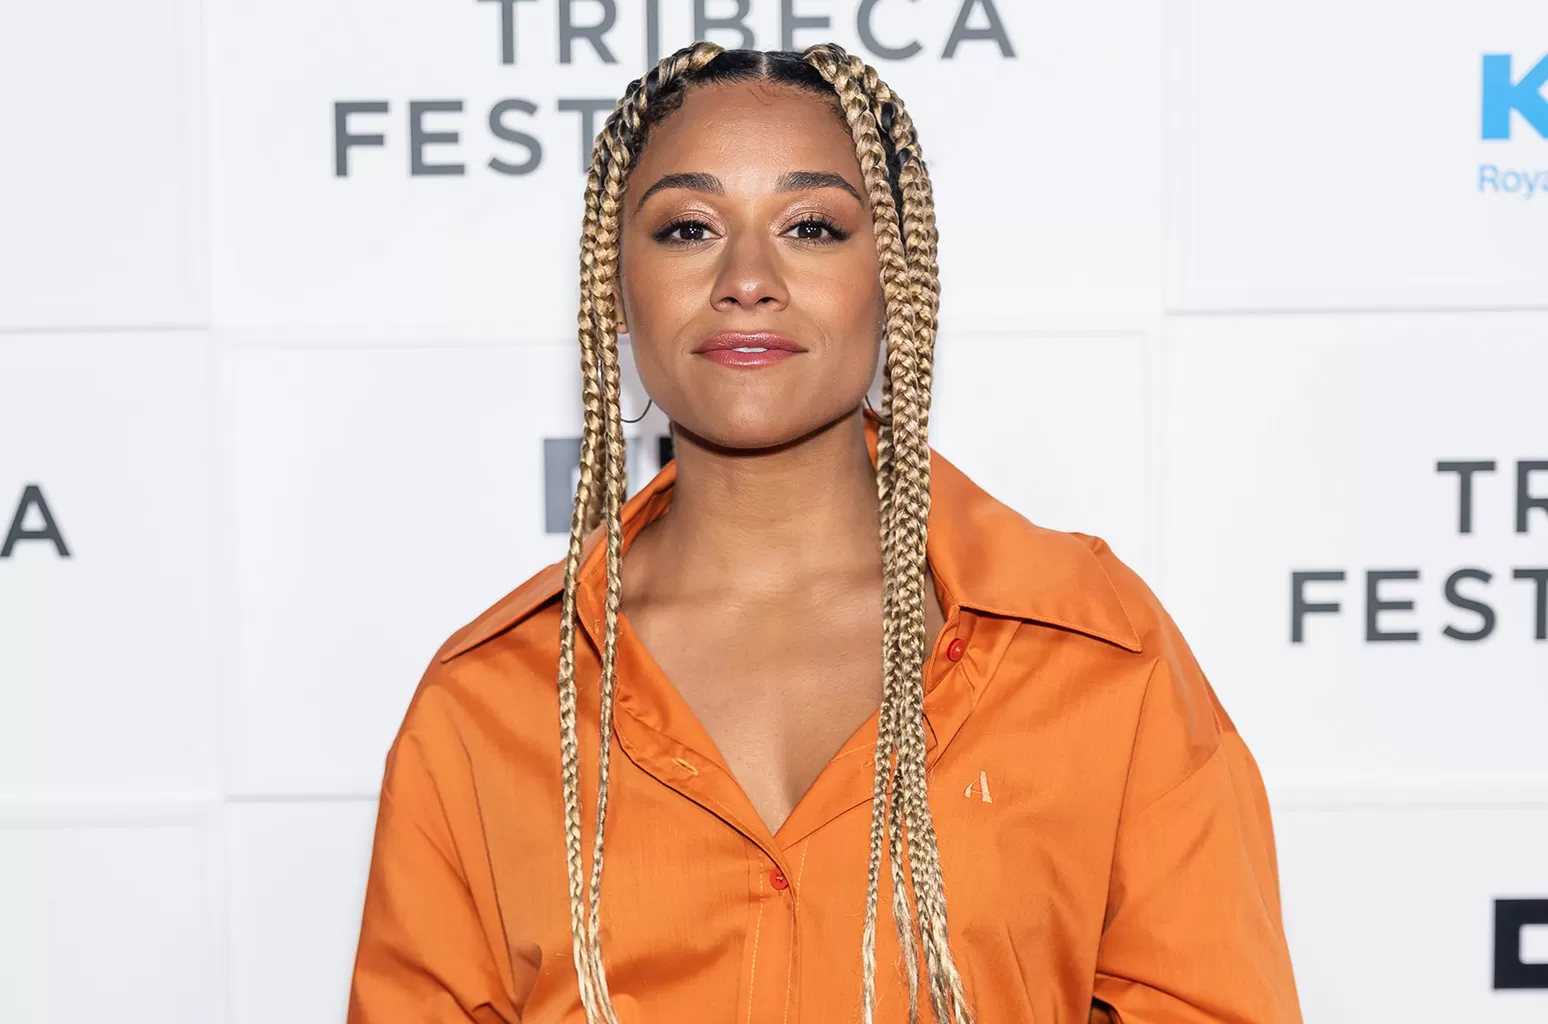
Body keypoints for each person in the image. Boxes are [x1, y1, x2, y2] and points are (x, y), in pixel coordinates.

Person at [346, 42, 1302, 1024]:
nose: (747, 278)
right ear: (615, 292)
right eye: (688, 228)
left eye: (810, 226)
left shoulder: (1093, 650)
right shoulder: (483, 706)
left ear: (895, 281)